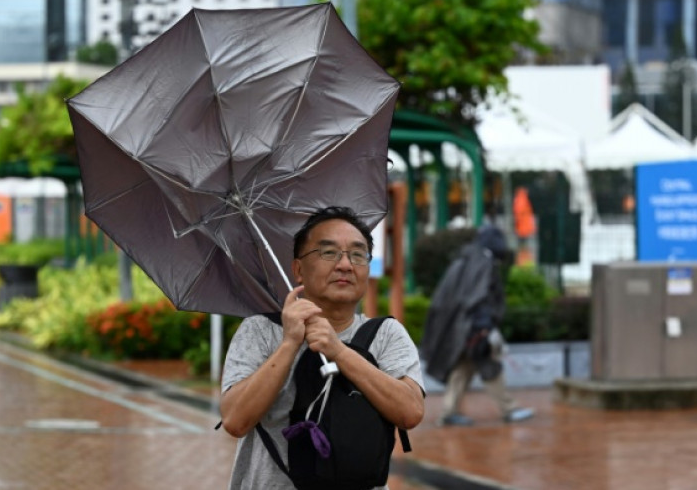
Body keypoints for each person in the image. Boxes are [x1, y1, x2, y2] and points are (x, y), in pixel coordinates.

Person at [219, 206, 426, 490]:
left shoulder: (387, 334)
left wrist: (338, 351)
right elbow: (235, 420)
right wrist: (290, 342)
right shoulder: (260, 331)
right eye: (328, 252)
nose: (345, 265)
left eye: (357, 254)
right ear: (298, 269)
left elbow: (410, 412)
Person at [420, 224, 534, 426]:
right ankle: (509, 408)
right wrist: (484, 326)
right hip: (473, 328)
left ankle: (449, 412)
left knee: (463, 368)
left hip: (462, 327)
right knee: (488, 365)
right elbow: (479, 296)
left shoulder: (467, 258)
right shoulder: (483, 262)